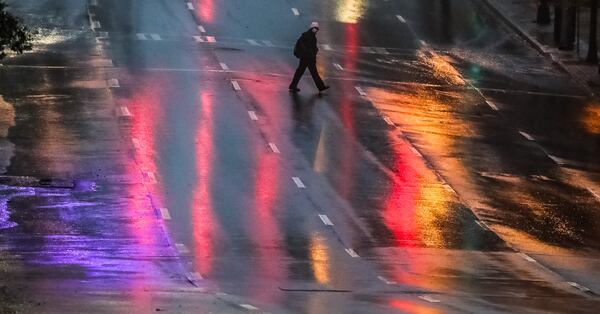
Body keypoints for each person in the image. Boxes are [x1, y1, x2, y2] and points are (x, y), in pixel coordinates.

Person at [289, 22, 330, 93]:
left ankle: (293, 85)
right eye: (315, 28)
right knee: (313, 73)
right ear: (312, 28)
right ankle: (321, 87)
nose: (316, 30)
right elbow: (303, 45)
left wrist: (315, 50)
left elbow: (312, 46)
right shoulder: (307, 35)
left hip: (308, 58)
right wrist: (309, 52)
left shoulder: (312, 36)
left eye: (317, 28)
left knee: (300, 72)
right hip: (307, 58)